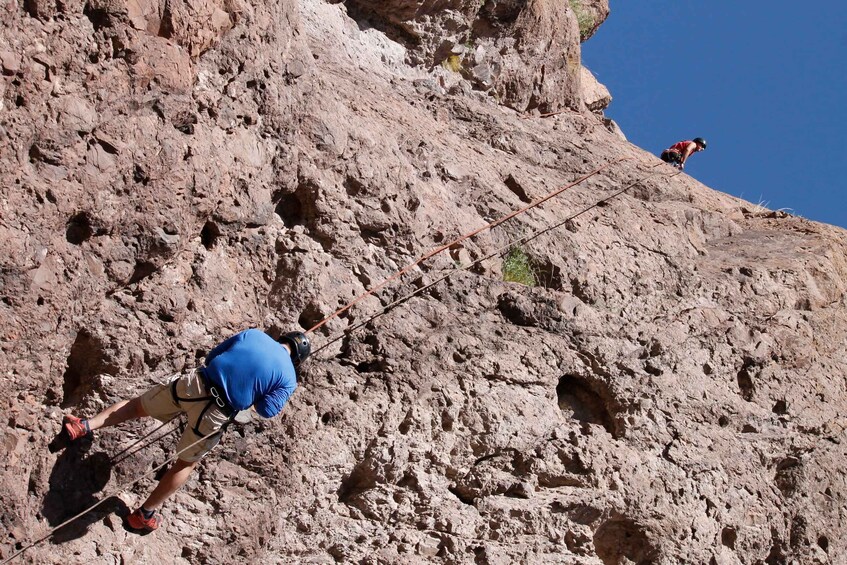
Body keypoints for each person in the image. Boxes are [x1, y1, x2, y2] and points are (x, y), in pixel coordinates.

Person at [61, 328, 311, 532]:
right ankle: (143, 514)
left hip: (193, 385)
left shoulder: (255, 334)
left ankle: (83, 425)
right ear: (297, 360)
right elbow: (267, 410)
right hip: (216, 413)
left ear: (282, 338)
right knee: (184, 464)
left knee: (137, 406)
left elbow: (213, 356)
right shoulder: (288, 377)